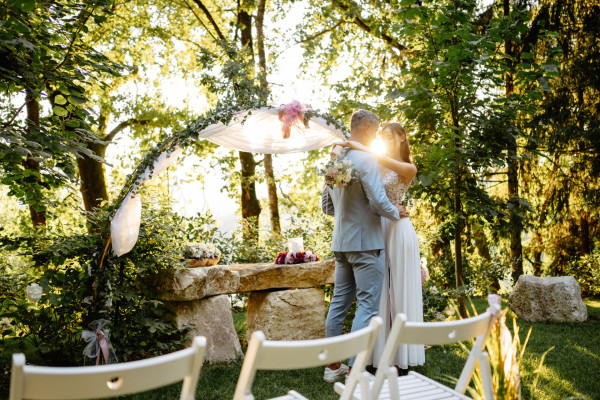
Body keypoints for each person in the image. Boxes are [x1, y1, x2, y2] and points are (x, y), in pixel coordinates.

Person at [321, 110, 406, 383]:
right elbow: (379, 199)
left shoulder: (336, 157)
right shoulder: (366, 158)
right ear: (369, 127)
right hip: (367, 245)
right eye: (376, 128)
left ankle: (333, 367)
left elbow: (327, 206)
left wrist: (351, 213)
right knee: (367, 306)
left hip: (341, 242)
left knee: (339, 305)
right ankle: (356, 370)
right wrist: (396, 212)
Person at [341, 122, 425, 373]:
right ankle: (375, 356)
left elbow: (379, 160)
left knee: (398, 289)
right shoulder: (375, 162)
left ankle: (400, 357)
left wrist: (355, 144)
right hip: (377, 228)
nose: (386, 141)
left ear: (402, 138)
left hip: (399, 230)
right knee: (379, 290)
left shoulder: (408, 167)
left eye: (390, 137)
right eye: (383, 137)